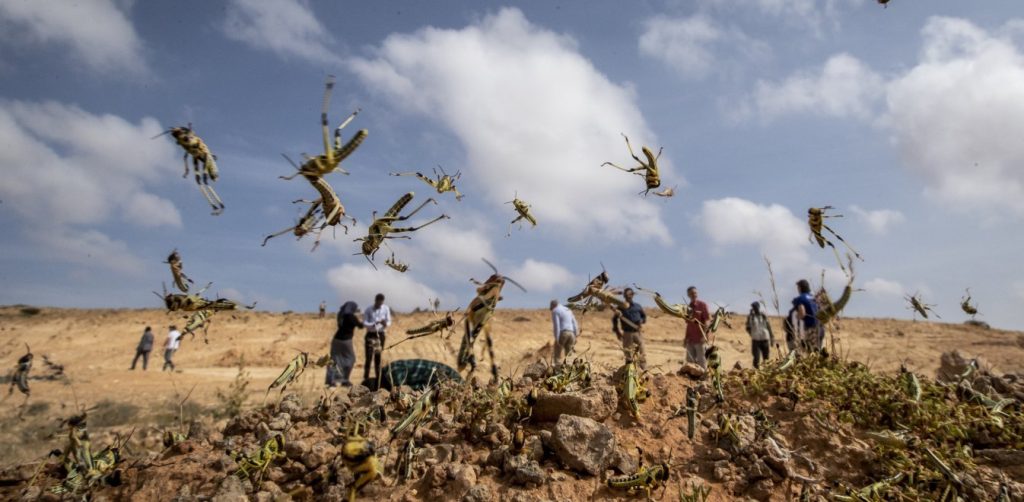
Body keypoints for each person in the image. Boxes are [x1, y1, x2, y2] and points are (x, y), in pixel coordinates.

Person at [327, 301, 363, 387]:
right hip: (346, 341)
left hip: (336, 340)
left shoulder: (341, 315)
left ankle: (331, 382)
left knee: (335, 360)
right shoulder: (351, 317)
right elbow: (360, 326)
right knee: (350, 359)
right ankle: (344, 380)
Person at [612, 288, 648, 369]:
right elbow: (614, 319)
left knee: (642, 354)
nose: (627, 296)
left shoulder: (638, 306)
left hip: (637, 332)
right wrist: (617, 331)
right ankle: (629, 375)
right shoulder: (621, 307)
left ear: (632, 295)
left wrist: (641, 322)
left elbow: (644, 317)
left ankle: (644, 372)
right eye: (625, 295)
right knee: (629, 356)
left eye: (629, 294)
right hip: (627, 334)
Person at [363, 293, 392, 382]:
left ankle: (378, 379)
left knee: (378, 357)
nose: (380, 304)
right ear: (375, 300)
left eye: (381, 303)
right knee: (368, 357)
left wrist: (385, 324)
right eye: (378, 302)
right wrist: (373, 324)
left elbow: (389, 321)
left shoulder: (385, 308)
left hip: (380, 335)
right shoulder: (368, 309)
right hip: (370, 334)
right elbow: (364, 323)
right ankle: (366, 378)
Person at [684, 286, 711, 368]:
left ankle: (705, 379)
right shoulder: (688, 308)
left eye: (695, 293)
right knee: (690, 362)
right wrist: (686, 338)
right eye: (691, 293)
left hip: (700, 339)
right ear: (688, 295)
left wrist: (704, 335)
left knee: (702, 361)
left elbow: (707, 321)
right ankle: (692, 380)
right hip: (690, 340)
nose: (693, 295)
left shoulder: (702, 305)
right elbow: (688, 324)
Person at [792, 279, 819, 353]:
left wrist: (797, 317)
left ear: (800, 288)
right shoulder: (814, 298)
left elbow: (802, 313)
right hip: (819, 327)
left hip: (809, 327)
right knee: (817, 350)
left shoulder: (801, 298)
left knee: (809, 351)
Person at [745, 302, 774, 369]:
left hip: (765, 339)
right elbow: (747, 327)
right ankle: (755, 373)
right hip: (756, 340)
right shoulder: (751, 317)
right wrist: (751, 334)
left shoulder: (763, 315)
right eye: (753, 307)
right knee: (756, 358)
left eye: (755, 307)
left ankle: (766, 372)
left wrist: (772, 337)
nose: (754, 308)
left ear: (758, 307)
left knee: (766, 358)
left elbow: (768, 326)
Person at [550, 300, 579, 365]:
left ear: (553, 306)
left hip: (563, 333)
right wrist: (576, 334)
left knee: (557, 353)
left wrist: (557, 338)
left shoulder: (555, 311)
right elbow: (574, 322)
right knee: (569, 354)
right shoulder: (568, 310)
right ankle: (569, 367)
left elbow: (556, 325)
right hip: (571, 334)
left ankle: (557, 368)